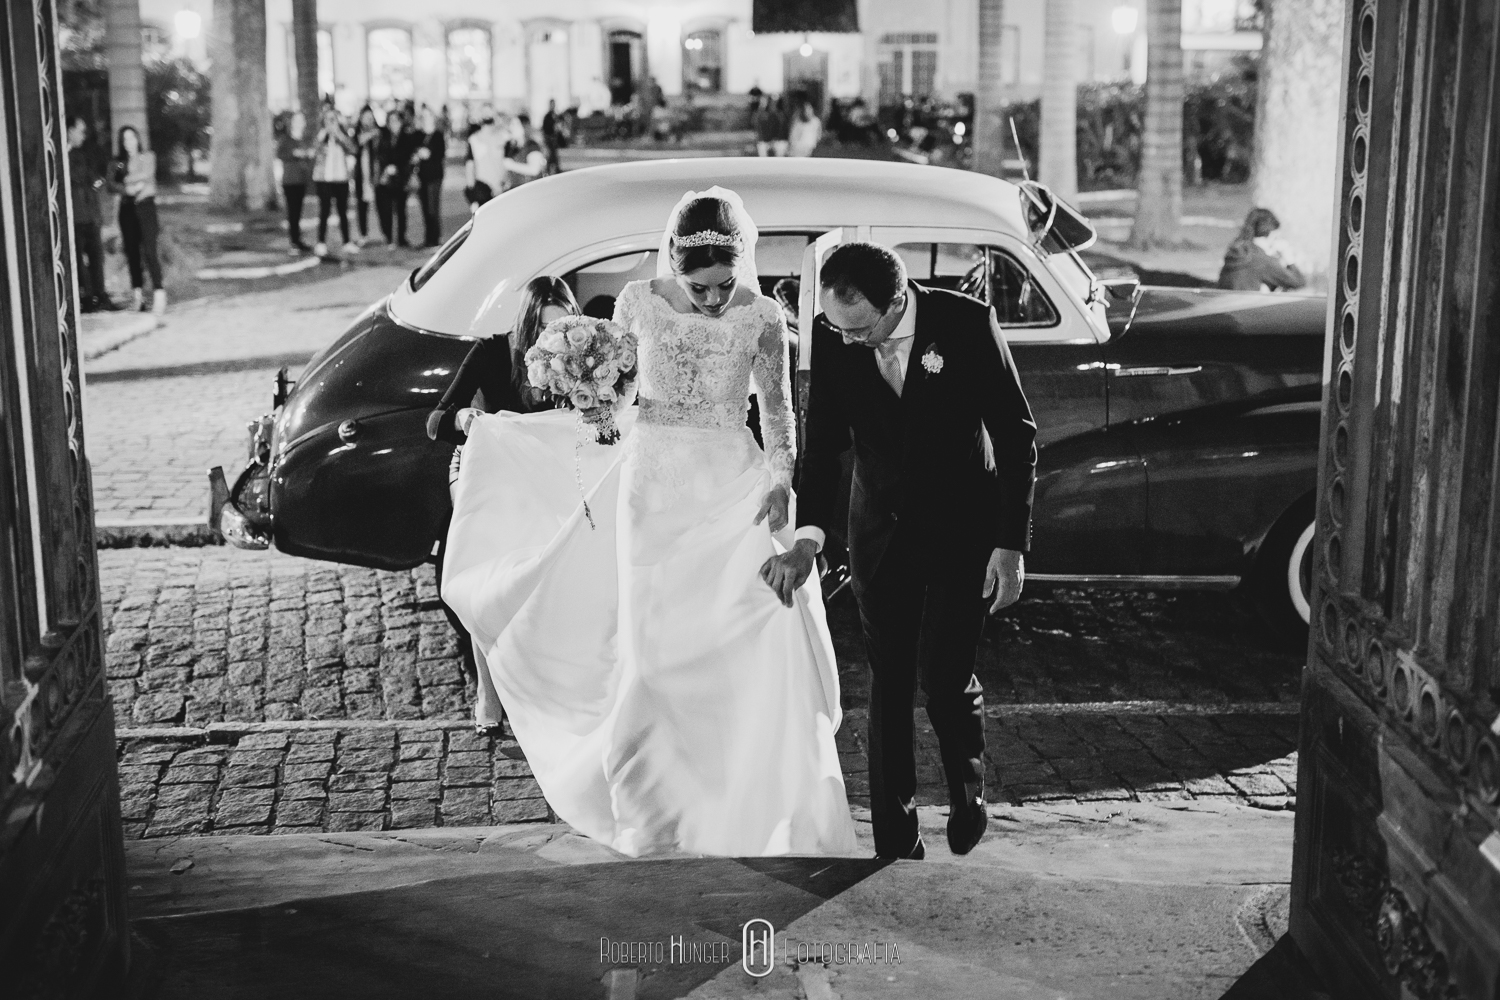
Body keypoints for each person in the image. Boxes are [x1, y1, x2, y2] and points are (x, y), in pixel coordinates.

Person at [440, 188, 857, 857]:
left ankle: (750, 799)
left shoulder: (764, 318)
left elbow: (781, 424)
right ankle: (658, 809)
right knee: (655, 658)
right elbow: (622, 387)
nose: (715, 298)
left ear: (742, 264)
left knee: (751, 640)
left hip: (734, 490)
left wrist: (781, 482)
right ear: (673, 262)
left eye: (726, 285)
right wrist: (593, 395)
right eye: (701, 286)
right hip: (652, 490)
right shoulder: (637, 303)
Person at [761, 242, 1037, 860]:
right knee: (886, 684)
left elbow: (1017, 436)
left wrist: (1009, 543)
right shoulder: (835, 336)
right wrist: (810, 538)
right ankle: (895, 838)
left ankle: (968, 792)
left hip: (962, 530)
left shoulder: (965, 324)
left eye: (859, 329)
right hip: (879, 533)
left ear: (897, 301)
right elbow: (825, 446)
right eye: (834, 326)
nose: (846, 340)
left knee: (943, 680)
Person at [428, 276, 582, 735]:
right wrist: (464, 416)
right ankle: (487, 691)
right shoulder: (494, 352)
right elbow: (435, 421)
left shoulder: (579, 359)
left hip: (544, 474)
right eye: (542, 329)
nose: (550, 340)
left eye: (561, 328)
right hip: (484, 471)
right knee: (489, 554)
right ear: (526, 325)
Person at [111, 125, 166, 315]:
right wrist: (129, 186)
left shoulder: (148, 156)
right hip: (127, 209)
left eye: (132, 138)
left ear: (137, 138)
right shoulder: (118, 162)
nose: (129, 142)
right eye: (125, 139)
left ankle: (159, 294)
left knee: (150, 250)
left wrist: (126, 180)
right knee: (132, 253)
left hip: (146, 207)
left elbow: (147, 174)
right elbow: (111, 183)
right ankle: (138, 297)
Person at [67, 117, 117, 313]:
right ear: (69, 130)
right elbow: (78, 178)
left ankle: (100, 295)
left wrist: (94, 184)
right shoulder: (60, 154)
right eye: (80, 131)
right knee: (77, 259)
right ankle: (88, 298)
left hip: (90, 215)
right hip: (74, 217)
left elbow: (98, 179)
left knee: (97, 258)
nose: (84, 135)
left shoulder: (85, 153)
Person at [1217, 208, 1307, 291]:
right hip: (1250, 306)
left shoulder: (1235, 251)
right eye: (1276, 238)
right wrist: (1289, 259)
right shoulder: (1262, 260)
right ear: (1271, 235)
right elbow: (1299, 282)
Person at [311, 105, 357, 258]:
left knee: (343, 211)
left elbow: (353, 149)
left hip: (341, 179)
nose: (331, 122)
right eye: (328, 119)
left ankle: (347, 241)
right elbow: (313, 151)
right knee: (324, 211)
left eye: (334, 119)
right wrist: (323, 134)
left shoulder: (342, 135)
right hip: (324, 179)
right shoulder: (321, 136)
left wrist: (339, 135)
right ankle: (321, 243)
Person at [375, 106, 418, 247]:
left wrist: (397, 167)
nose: (394, 124)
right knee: (386, 210)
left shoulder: (407, 138)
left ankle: (401, 237)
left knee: (401, 209)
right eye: (391, 121)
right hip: (386, 179)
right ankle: (388, 237)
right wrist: (386, 167)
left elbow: (408, 157)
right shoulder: (384, 137)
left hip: (401, 178)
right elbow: (380, 155)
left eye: (396, 120)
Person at [277, 111, 315, 254]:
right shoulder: (286, 139)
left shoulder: (304, 140)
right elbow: (280, 154)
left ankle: (298, 240)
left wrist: (309, 155)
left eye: (302, 120)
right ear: (292, 122)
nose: (300, 122)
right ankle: (294, 242)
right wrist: (294, 154)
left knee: (298, 212)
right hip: (290, 181)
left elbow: (309, 156)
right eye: (297, 119)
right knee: (292, 212)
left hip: (302, 181)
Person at [414, 106, 447, 247]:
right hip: (422, 176)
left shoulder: (438, 135)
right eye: (424, 116)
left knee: (433, 207)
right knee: (425, 208)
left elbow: (440, 154)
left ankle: (435, 237)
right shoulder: (419, 134)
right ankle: (428, 238)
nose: (426, 118)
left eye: (429, 115)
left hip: (435, 176)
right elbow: (413, 151)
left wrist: (428, 154)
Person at [350, 106, 381, 245]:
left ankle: (387, 234)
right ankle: (363, 234)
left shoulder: (380, 132)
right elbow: (354, 146)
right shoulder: (357, 133)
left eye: (370, 117)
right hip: (361, 175)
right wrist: (369, 135)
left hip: (376, 174)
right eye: (365, 117)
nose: (368, 120)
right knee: (361, 206)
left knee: (381, 205)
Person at [464, 112, 507, 210]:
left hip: (501, 188)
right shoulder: (473, 140)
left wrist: (505, 183)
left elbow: (508, 163)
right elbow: (470, 166)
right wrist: (472, 197)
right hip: (483, 190)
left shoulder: (504, 137)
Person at [502, 114, 547, 190]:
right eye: (511, 124)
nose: (511, 127)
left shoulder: (532, 145)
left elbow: (534, 170)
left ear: (524, 127)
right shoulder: (513, 147)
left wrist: (512, 165)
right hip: (517, 189)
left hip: (531, 189)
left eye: (516, 124)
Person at [541, 99, 563, 175]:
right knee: (551, 155)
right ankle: (549, 170)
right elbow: (545, 129)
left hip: (554, 139)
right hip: (549, 139)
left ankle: (554, 169)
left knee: (554, 155)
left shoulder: (556, 115)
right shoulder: (547, 116)